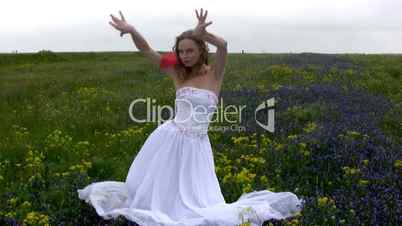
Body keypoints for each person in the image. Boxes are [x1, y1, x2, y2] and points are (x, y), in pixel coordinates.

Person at [77, 8, 304, 226]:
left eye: (190, 50)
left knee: (198, 200)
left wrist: (203, 34)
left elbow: (223, 45)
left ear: (201, 51)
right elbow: (147, 51)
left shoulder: (215, 74)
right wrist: (132, 30)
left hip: (197, 145)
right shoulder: (177, 72)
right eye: (181, 51)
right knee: (161, 194)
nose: (184, 56)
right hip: (169, 139)